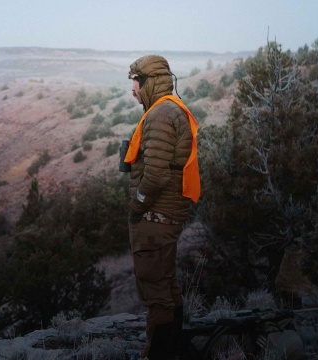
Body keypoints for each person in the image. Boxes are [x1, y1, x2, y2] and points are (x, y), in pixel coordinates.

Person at [122, 55, 200, 359]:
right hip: (167, 215)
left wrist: (135, 207)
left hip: (156, 217)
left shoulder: (160, 115)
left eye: (136, 82)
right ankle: (177, 348)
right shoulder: (167, 110)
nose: (133, 89)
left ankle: (160, 353)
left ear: (149, 82)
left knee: (156, 292)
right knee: (166, 285)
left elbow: (154, 176)